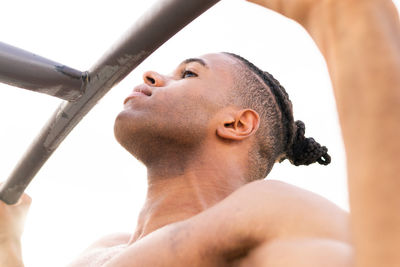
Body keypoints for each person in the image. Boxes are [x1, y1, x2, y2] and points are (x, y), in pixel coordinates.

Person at [1, 0, 400, 266]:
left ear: (236, 124)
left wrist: (346, 15)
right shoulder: (99, 251)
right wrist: (8, 245)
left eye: (188, 74)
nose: (153, 74)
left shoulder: (262, 215)